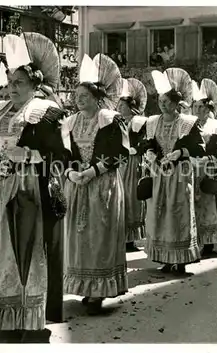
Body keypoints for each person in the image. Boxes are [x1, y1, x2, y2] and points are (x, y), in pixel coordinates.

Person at [0, 32, 67, 342]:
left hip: (31, 193)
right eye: (11, 82)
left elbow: (62, 156)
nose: (13, 88)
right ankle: (7, 316)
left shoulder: (47, 114)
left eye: (20, 84)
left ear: (35, 86)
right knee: (0, 252)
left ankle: (31, 319)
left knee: (28, 250)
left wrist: (28, 155)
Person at [62, 53, 129, 314]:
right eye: (76, 96)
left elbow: (121, 153)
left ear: (97, 97)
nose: (79, 100)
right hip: (78, 186)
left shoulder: (111, 120)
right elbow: (63, 153)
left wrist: (94, 171)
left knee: (100, 235)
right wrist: (70, 173)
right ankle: (84, 285)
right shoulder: (69, 122)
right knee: (79, 236)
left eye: (85, 96)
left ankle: (98, 290)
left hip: (103, 185)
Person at [142, 68, 205, 274]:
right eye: (160, 101)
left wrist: (180, 153)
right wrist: (150, 153)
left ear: (177, 103)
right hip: (159, 173)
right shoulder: (152, 122)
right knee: (160, 213)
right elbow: (148, 144)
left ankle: (181, 259)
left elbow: (199, 148)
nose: (162, 104)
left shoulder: (187, 123)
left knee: (177, 213)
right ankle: (166, 258)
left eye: (166, 101)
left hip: (180, 174)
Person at [191, 78, 217, 256]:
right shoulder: (188, 125)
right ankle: (194, 239)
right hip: (191, 168)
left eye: (201, 107)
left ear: (208, 109)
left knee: (209, 203)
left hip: (210, 169)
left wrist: (214, 157)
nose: (197, 110)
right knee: (193, 203)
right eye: (195, 106)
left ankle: (209, 243)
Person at [116, 77, 148, 252]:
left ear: (130, 106)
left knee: (131, 196)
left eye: (122, 105)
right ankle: (121, 235)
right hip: (120, 163)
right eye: (118, 105)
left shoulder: (139, 122)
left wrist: (134, 150)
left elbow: (145, 141)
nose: (118, 108)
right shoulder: (118, 121)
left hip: (133, 162)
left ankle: (131, 238)